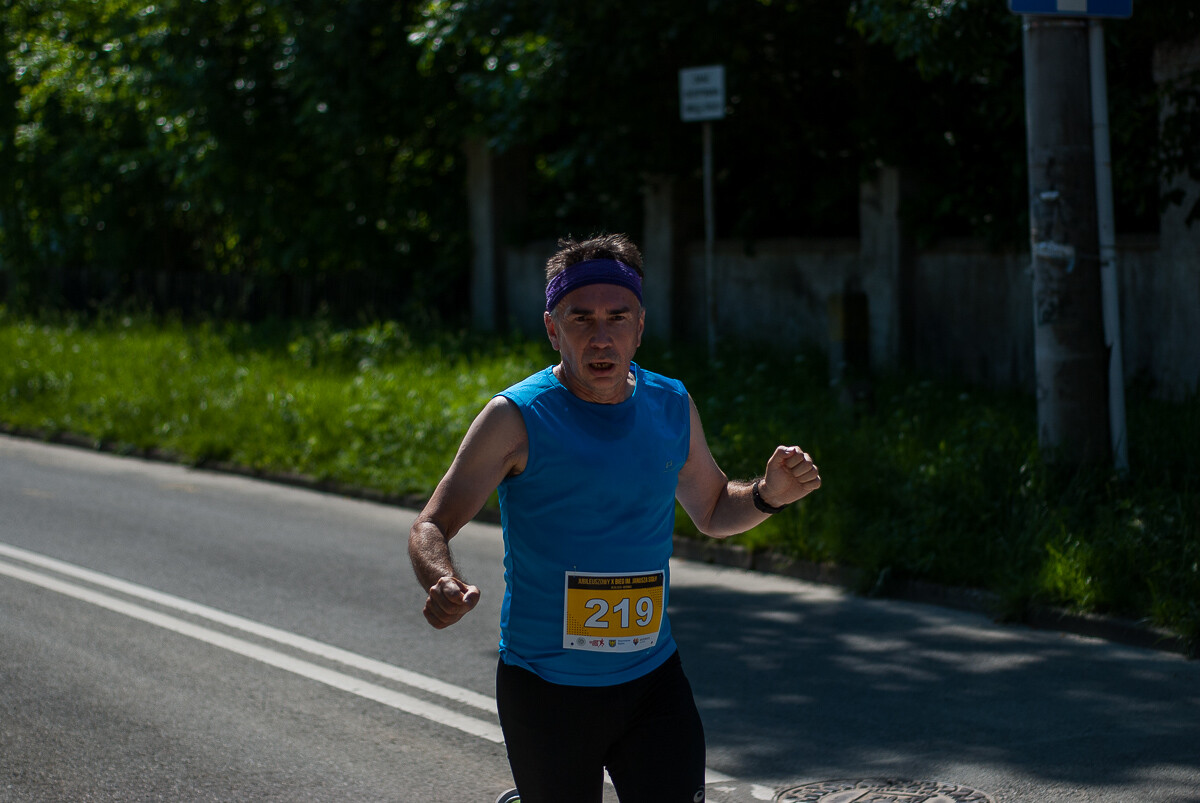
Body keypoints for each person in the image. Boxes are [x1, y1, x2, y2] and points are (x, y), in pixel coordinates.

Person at [408, 233, 821, 803]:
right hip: (546, 688)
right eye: (581, 319)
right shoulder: (516, 418)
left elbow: (711, 508)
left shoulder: (671, 404)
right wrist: (441, 580)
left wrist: (767, 495)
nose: (600, 337)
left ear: (639, 326)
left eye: (616, 317)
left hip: (653, 681)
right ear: (553, 329)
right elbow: (431, 524)